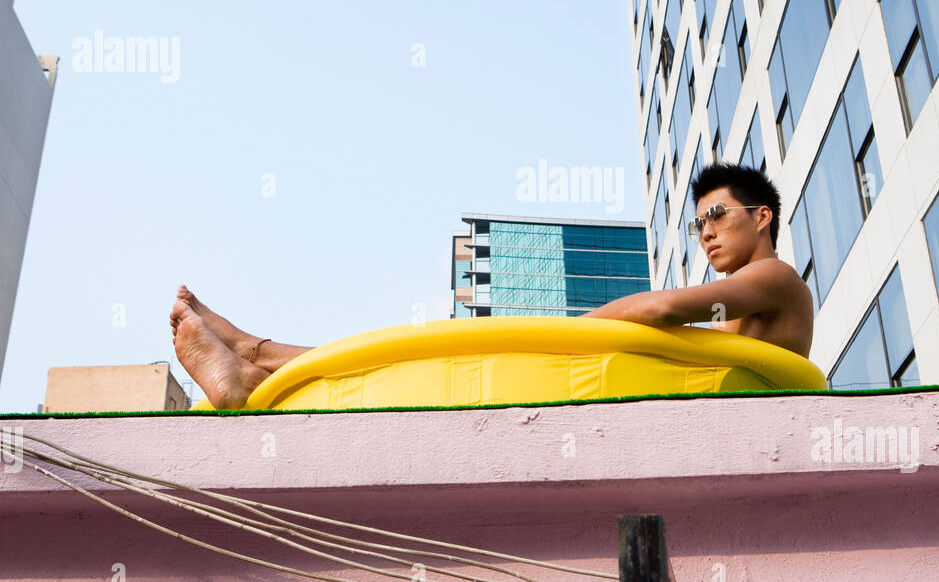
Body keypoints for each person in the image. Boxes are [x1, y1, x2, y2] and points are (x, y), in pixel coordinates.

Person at [170, 162, 814, 409]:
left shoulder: (776, 278)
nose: (704, 232)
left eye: (717, 216)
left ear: (762, 218)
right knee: (428, 358)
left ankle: (257, 361)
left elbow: (661, 306)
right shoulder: (750, 296)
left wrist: (571, 335)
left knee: (443, 357)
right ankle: (256, 357)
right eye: (698, 220)